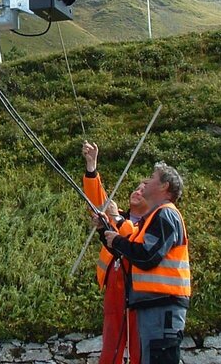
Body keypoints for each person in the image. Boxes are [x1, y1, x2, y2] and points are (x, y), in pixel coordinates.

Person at [104, 162, 190, 364]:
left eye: (152, 177)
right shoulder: (155, 216)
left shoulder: (165, 214)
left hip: (163, 306)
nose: (146, 181)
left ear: (164, 186)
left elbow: (146, 256)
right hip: (154, 306)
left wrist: (117, 240)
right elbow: (133, 248)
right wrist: (109, 231)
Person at [82, 141, 145, 364]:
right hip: (115, 288)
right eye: (137, 188)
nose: (138, 191)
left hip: (140, 288)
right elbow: (97, 202)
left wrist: (116, 219)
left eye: (144, 191)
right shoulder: (118, 215)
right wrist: (92, 167)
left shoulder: (151, 223)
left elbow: (134, 240)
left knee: (139, 346)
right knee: (111, 345)